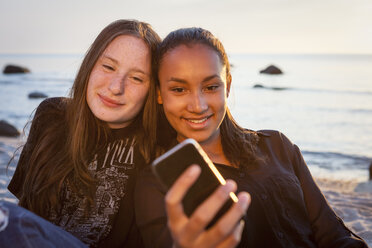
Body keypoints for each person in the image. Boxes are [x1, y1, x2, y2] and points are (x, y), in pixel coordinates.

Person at [135, 27, 368, 247]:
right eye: (179, 89)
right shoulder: (155, 185)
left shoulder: (278, 146)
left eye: (211, 87)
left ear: (227, 86)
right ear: (159, 94)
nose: (198, 105)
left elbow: (332, 233)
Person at [3, 19, 161, 247]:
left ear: (154, 92)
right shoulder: (52, 117)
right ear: (90, 66)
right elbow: (25, 213)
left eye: (136, 78)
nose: (116, 87)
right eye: (108, 67)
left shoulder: (157, 145)